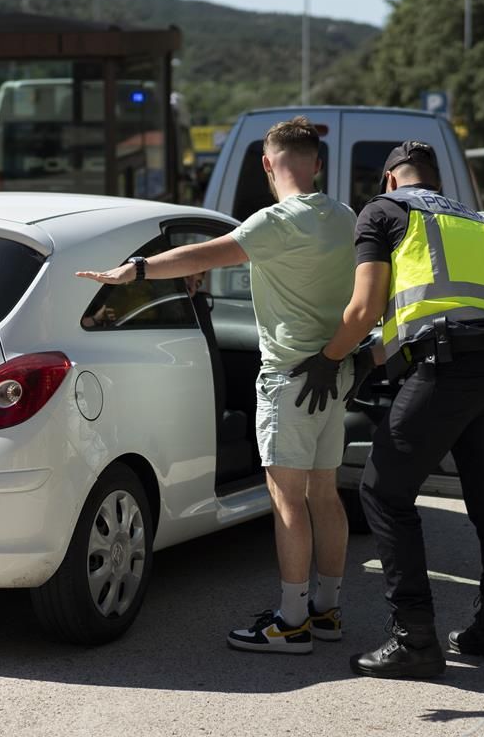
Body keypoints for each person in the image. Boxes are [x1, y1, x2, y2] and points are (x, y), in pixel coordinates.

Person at [77, 116, 358, 654]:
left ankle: (291, 621)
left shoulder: (273, 223)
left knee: (286, 499)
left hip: (288, 377)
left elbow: (204, 253)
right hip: (333, 370)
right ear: (317, 163)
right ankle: (327, 610)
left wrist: (132, 272)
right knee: (324, 493)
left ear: (267, 165)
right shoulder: (341, 217)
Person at [295, 140, 484, 679]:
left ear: (390, 179)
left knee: (382, 490)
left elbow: (365, 307)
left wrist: (330, 359)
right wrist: (369, 360)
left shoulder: (384, 210)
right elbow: (426, 313)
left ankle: (415, 638)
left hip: (446, 368)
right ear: (431, 178)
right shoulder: (470, 218)